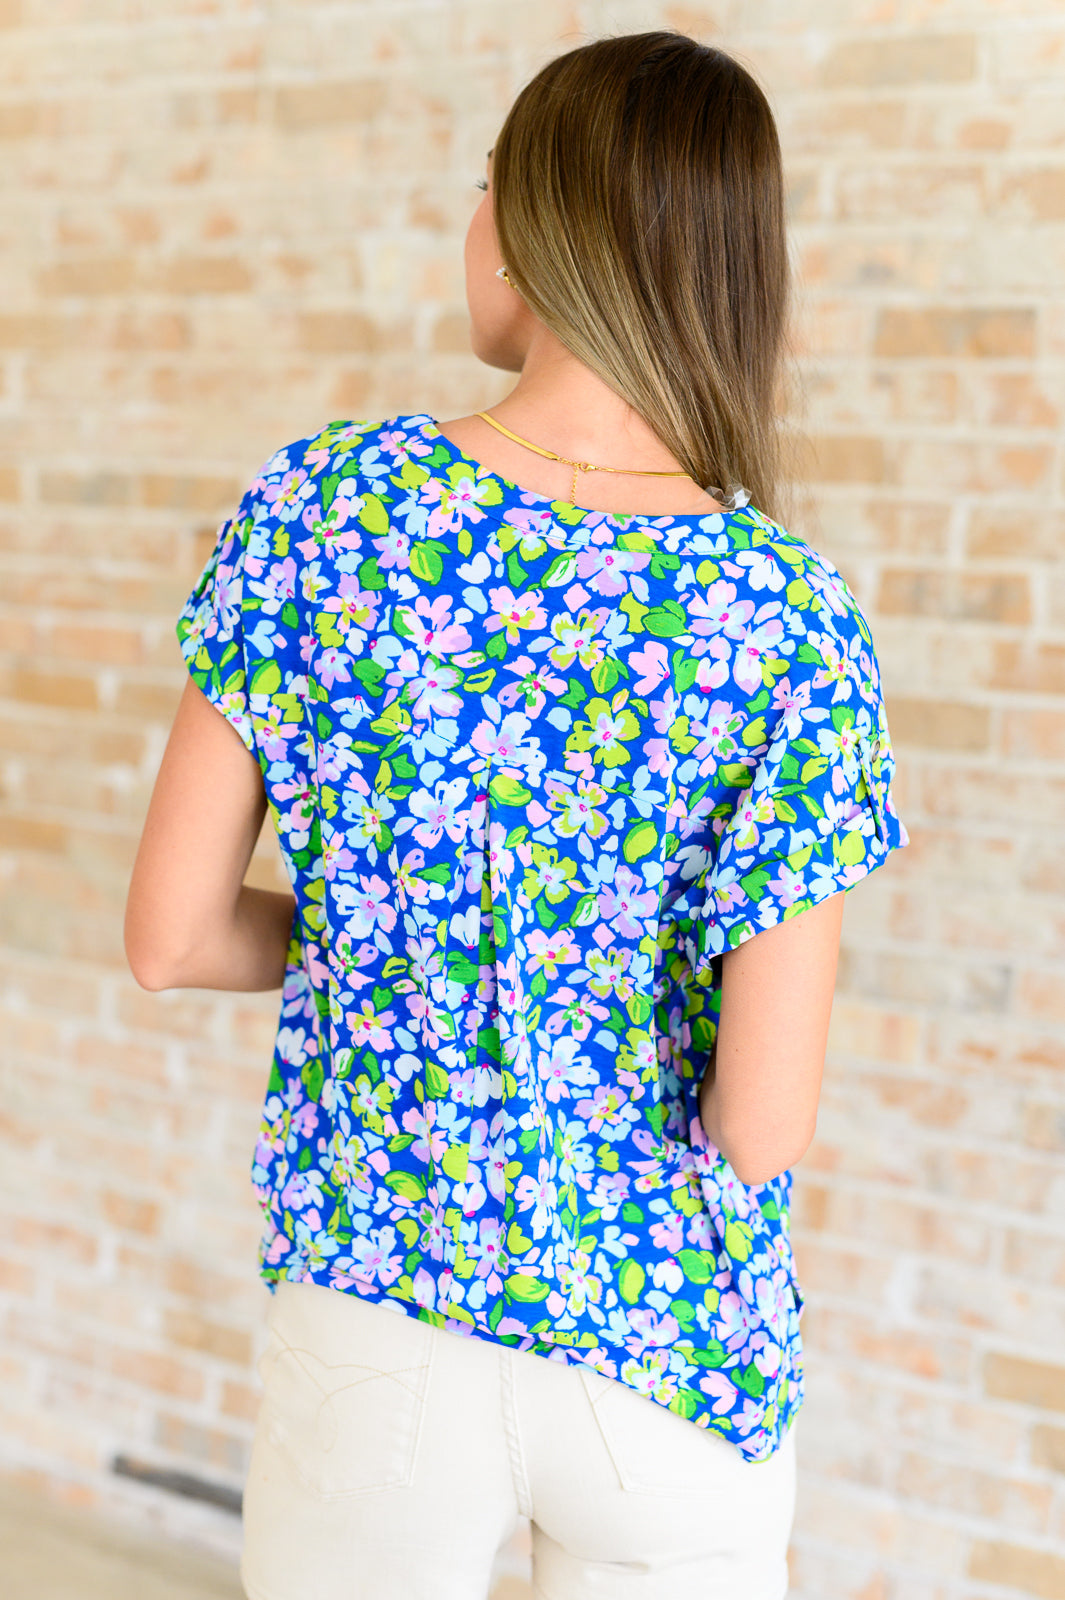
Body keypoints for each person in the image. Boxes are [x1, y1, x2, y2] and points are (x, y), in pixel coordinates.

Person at [125, 29, 907, 1600]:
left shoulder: (325, 508)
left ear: (541, 223)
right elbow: (761, 1121)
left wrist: (395, 935)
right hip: (665, 1357)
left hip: (377, 1315)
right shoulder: (787, 614)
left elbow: (173, 937)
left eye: (485, 188)